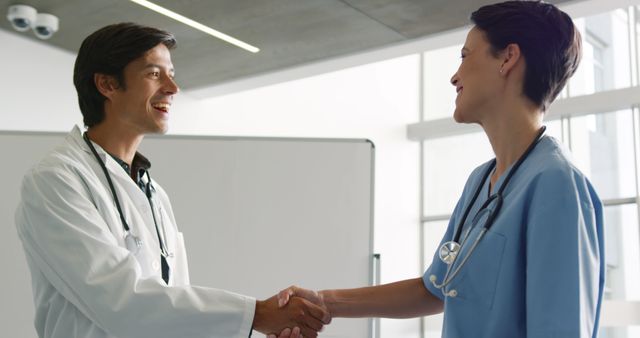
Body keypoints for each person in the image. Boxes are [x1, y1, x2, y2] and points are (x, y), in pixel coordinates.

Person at [275, 1, 605, 337]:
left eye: (465, 56)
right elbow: (434, 288)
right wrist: (322, 303)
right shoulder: (481, 181)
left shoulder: (557, 185)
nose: (454, 76)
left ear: (508, 58)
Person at [15, 23, 329, 338]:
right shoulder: (55, 181)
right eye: (154, 74)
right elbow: (121, 303)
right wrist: (257, 314)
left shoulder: (153, 193)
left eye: (172, 73)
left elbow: (173, 316)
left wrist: (258, 326)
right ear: (107, 84)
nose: (173, 87)